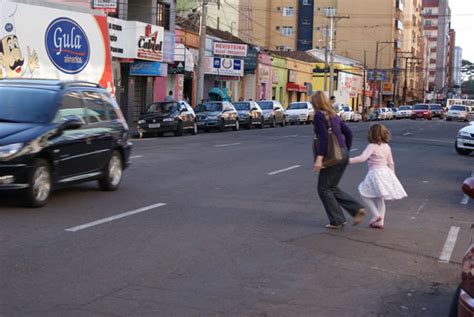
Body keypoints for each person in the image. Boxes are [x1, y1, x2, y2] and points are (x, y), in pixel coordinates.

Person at [312, 91, 365, 229]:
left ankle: (337, 220)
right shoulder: (334, 114)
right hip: (343, 153)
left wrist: (319, 158)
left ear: (315, 103)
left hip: (333, 156)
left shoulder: (319, 115)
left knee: (323, 188)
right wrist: (345, 149)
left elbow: (323, 137)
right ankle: (355, 210)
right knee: (331, 187)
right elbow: (348, 133)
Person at [349, 124, 407, 229]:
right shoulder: (387, 147)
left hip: (375, 173)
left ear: (371, 134)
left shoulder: (371, 146)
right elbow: (391, 163)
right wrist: (392, 176)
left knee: (363, 192)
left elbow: (362, 158)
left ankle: (376, 215)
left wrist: (348, 161)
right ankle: (380, 222)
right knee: (380, 199)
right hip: (386, 172)